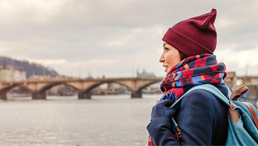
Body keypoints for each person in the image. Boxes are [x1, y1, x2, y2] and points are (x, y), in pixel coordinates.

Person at [147, 9, 229, 145]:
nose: (161, 58)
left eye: (167, 49)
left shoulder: (197, 98)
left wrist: (158, 125)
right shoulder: (217, 88)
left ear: (187, 51)